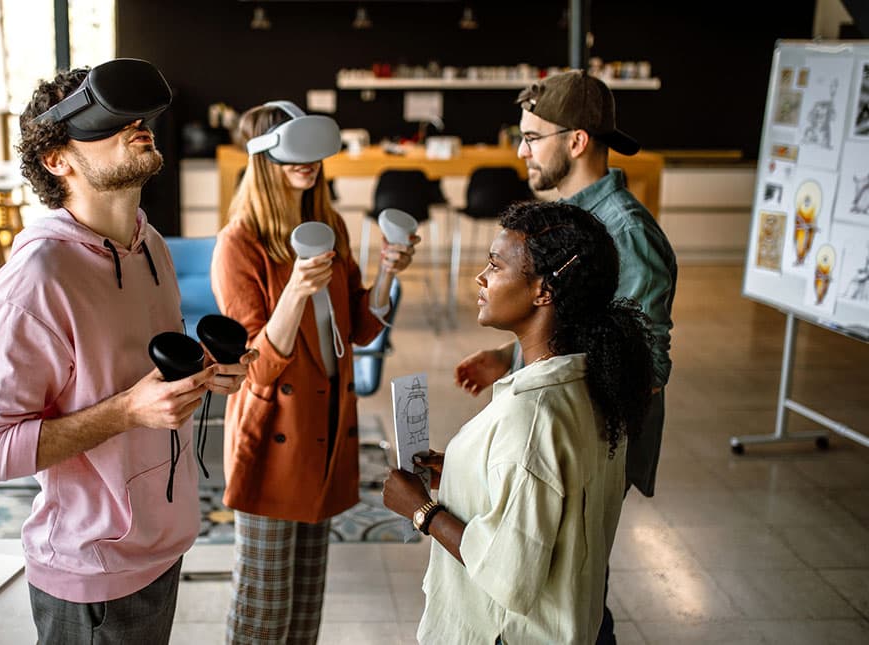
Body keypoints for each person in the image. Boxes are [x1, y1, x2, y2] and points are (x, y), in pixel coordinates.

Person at [0, 59, 252, 645]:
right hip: (89, 572)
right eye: (104, 122)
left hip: (161, 546)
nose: (137, 125)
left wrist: (193, 378)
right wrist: (127, 411)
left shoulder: (151, 245)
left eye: (138, 115)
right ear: (57, 159)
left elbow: (128, 375)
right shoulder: (38, 278)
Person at [455, 70, 677, 643]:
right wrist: (509, 357)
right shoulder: (567, 219)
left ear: (576, 141)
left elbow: (644, 362)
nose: (522, 150)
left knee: (572, 595)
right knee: (545, 582)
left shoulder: (626, 232)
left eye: (532, 137)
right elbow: (574, 323)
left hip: (583, 442)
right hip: (551, 437)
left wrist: (572, 431)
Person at [383, 200, 654, 644]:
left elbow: (508, 574)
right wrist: (460, 472)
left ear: (543, 290)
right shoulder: (592, 382)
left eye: (495, 265)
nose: (481, 277)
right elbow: (544, 497)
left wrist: (422, 510)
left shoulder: (532, 416)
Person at [212, 101, 418, 644]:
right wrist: (297, 291)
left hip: (326, 429)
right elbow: (253, 367)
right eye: (289, 150)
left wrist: (386, 274)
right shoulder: (240, 244)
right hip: (275, 436)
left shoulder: (331, 227)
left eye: (311, 150)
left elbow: (359, 328)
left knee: (305, 606)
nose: (305, 162)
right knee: (262, 609)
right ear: (263, 157)